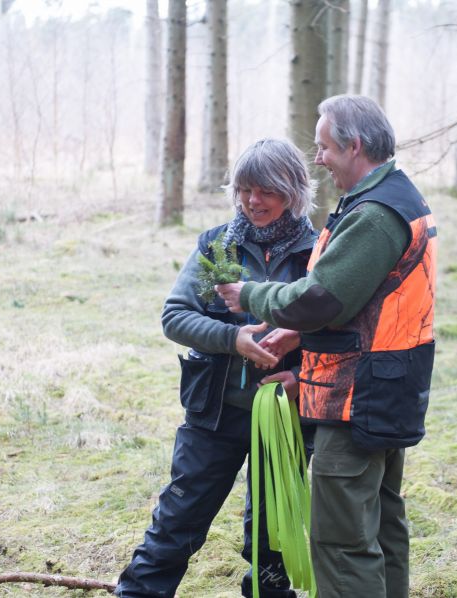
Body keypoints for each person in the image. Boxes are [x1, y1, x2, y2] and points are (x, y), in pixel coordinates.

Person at [216, 95, 438, 598]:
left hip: (354, 399)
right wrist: (299, 333)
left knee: (340, 543)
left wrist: (250, 295)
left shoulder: (376, 214)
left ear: (354, 146)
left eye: (324, 148)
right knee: (381, 526)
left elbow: (321, 298)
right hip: (384, 391)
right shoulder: (394, 199)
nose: (318, 159)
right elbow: (369, 303)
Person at [114, 138, 318, 598]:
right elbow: (175, 316)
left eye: (265, 190)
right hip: (214, 412)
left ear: (293, 190)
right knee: (177, 520)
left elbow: (338, 330)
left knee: (273, 535)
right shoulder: (214, 245)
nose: (252, 201)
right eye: (244, 189)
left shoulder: (318, 253)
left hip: (284, 415)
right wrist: (233, 339)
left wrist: (303, 380)